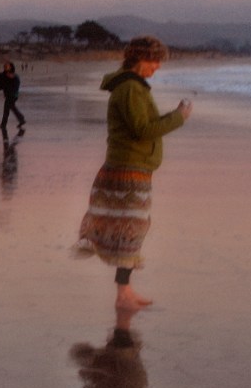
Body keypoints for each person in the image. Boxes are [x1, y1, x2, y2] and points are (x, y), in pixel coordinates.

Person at [76, 36, 192, 311]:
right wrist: (179, 117)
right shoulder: (130, 88)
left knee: (131, 231)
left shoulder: (132, 86)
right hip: (129, 170)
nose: (157, 66)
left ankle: (125, 290)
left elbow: (143, 125)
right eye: (155, 60)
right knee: (131, 231)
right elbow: (142, 130)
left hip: (131, 167)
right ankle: (123, 293)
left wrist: (173, 115)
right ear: (140, 59)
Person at [0, 61, 26, 131]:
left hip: (12, 95)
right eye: (5, 66)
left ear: (11, 67)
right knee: (10, 108)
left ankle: (4, 124)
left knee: (7, 109)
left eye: (7, 66)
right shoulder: (4, 75)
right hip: (9, 95)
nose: (5, 67)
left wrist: (5, 85)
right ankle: (20, 119)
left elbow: (14, 85)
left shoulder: (13, 75)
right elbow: (1, 85)